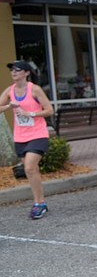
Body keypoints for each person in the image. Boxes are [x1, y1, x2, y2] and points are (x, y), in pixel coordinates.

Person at [1, 61, 53, 219]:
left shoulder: (34, 89)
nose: (14, 73)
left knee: (30, 167)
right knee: (32, 171)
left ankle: (39, 204)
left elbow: (50, 110)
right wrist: (9, 106)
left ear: (26, 73)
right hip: (20, 136)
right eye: (12, 70)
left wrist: (30, 114)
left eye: (17, 70)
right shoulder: (10, 91)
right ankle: (39, 202)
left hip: (38, 134)